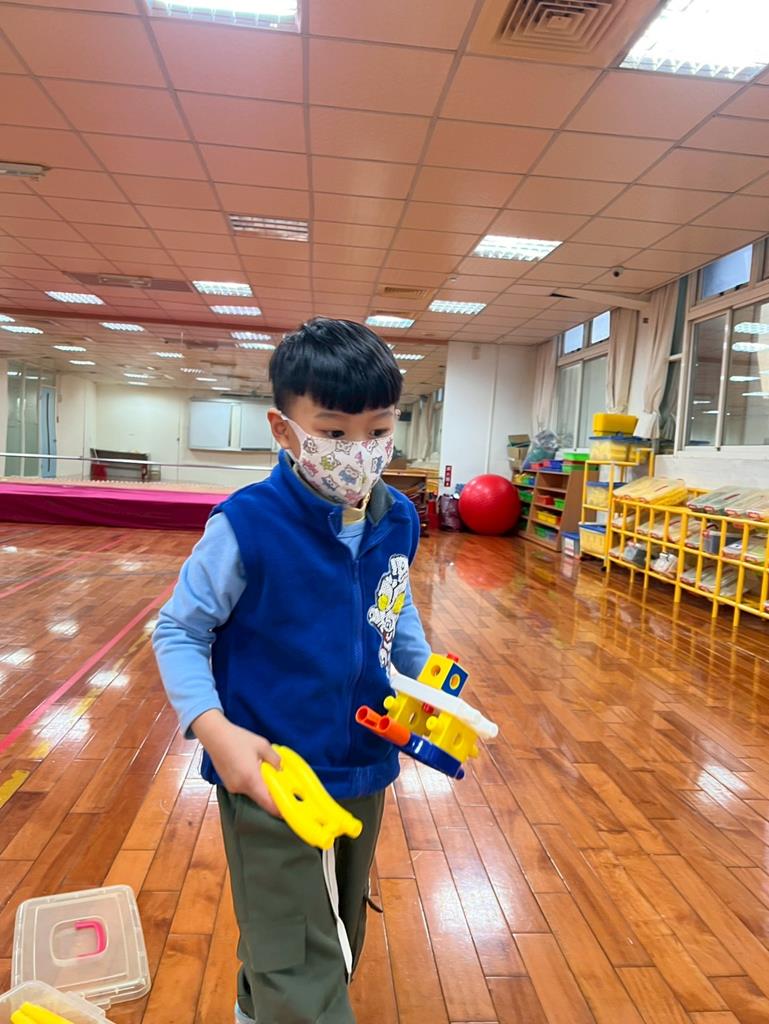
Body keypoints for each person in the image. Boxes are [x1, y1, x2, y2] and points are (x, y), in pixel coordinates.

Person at [153, 318, 431, 1024]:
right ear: (284, 430)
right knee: (296, 954)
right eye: (334, 432)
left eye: (377, 430)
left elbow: (394, 604)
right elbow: (179, 630)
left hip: (366, 760)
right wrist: (213, 730)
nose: (359, 451)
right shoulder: (246, 525)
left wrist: (424, 679)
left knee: (337, 925)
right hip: (270, 771)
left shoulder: (397, 518)